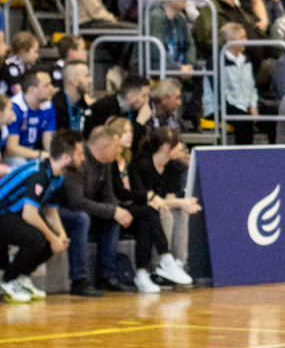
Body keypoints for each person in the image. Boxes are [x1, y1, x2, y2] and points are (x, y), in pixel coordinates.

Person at [104, 118, 194, 292]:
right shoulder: (112, 162)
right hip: (114, 207)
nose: (130, 135)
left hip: (132, 207)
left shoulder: (128, 161)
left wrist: (149, 197)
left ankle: (145, 272)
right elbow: (120, 192)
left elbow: (138, 190)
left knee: (148, 217)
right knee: (152, 212)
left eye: (131, 131)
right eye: (125, 132)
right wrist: (150, 196)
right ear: (114, 136)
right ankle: (163, 262)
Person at [0, 129, 84, 302]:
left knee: (51, 241)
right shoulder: (40, 173)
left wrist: (61, 235)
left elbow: (50, 211)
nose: (83, 158)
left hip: (11, 216)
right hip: (4, 213)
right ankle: (8, 281)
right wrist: (52, 237)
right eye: (79, 154)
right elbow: (29, 214)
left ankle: (22, 278)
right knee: (38, 237)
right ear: (66, 158)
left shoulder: (58, 177)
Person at [58, 125, 133, 296]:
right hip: (62, 210)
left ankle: (106, 276)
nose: (119, 151)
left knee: (113, 216)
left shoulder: (105, 162)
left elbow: (108, 195)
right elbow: (76, 202)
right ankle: (78, 280)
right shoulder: (78, 159)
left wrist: (116, 211)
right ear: (104, 146)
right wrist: (112, 211)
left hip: (85, 209)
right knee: (82, 218)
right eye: (116, 147)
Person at [130, 126, 200, 268]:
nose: (181, 147)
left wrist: (182, 204)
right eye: (177, 143)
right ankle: (159, 266)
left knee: (181, 212)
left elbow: (170, 199)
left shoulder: (172, 167)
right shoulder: (143, 166)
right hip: (144, 210)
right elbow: (151, 200)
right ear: (165, 147)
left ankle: (180, 263)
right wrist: (181, 202)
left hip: (162, 207)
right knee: (166, 214)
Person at [5, 72, 56, 165]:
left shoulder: (48, 106)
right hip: (13, 156)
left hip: (33, 153)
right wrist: (40, 154)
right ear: (32, 90)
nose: (52, 88)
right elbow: (11, 149)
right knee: (20, 163)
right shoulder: (15, 107)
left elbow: (48, 143)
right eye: (46, 85)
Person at [147, 0, 196, 74]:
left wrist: (188, 65)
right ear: (170, 0)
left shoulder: (181, 18)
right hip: (155, 64)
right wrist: (178, 68)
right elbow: (156, 51)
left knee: (206, 66)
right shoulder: (156, 17)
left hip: (177, 65)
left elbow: (190, 44)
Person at [87, 74, 149, 146]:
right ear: (131, 96)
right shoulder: (103, 108)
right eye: (144, 96)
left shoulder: (135, 111)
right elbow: (117, 143)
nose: (147, 100)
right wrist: (140, 122)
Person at [52, 63, 94, 134]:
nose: (91, 80)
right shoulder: (56, 107)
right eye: (86, 76)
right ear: (74, 81)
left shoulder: (83, 105)